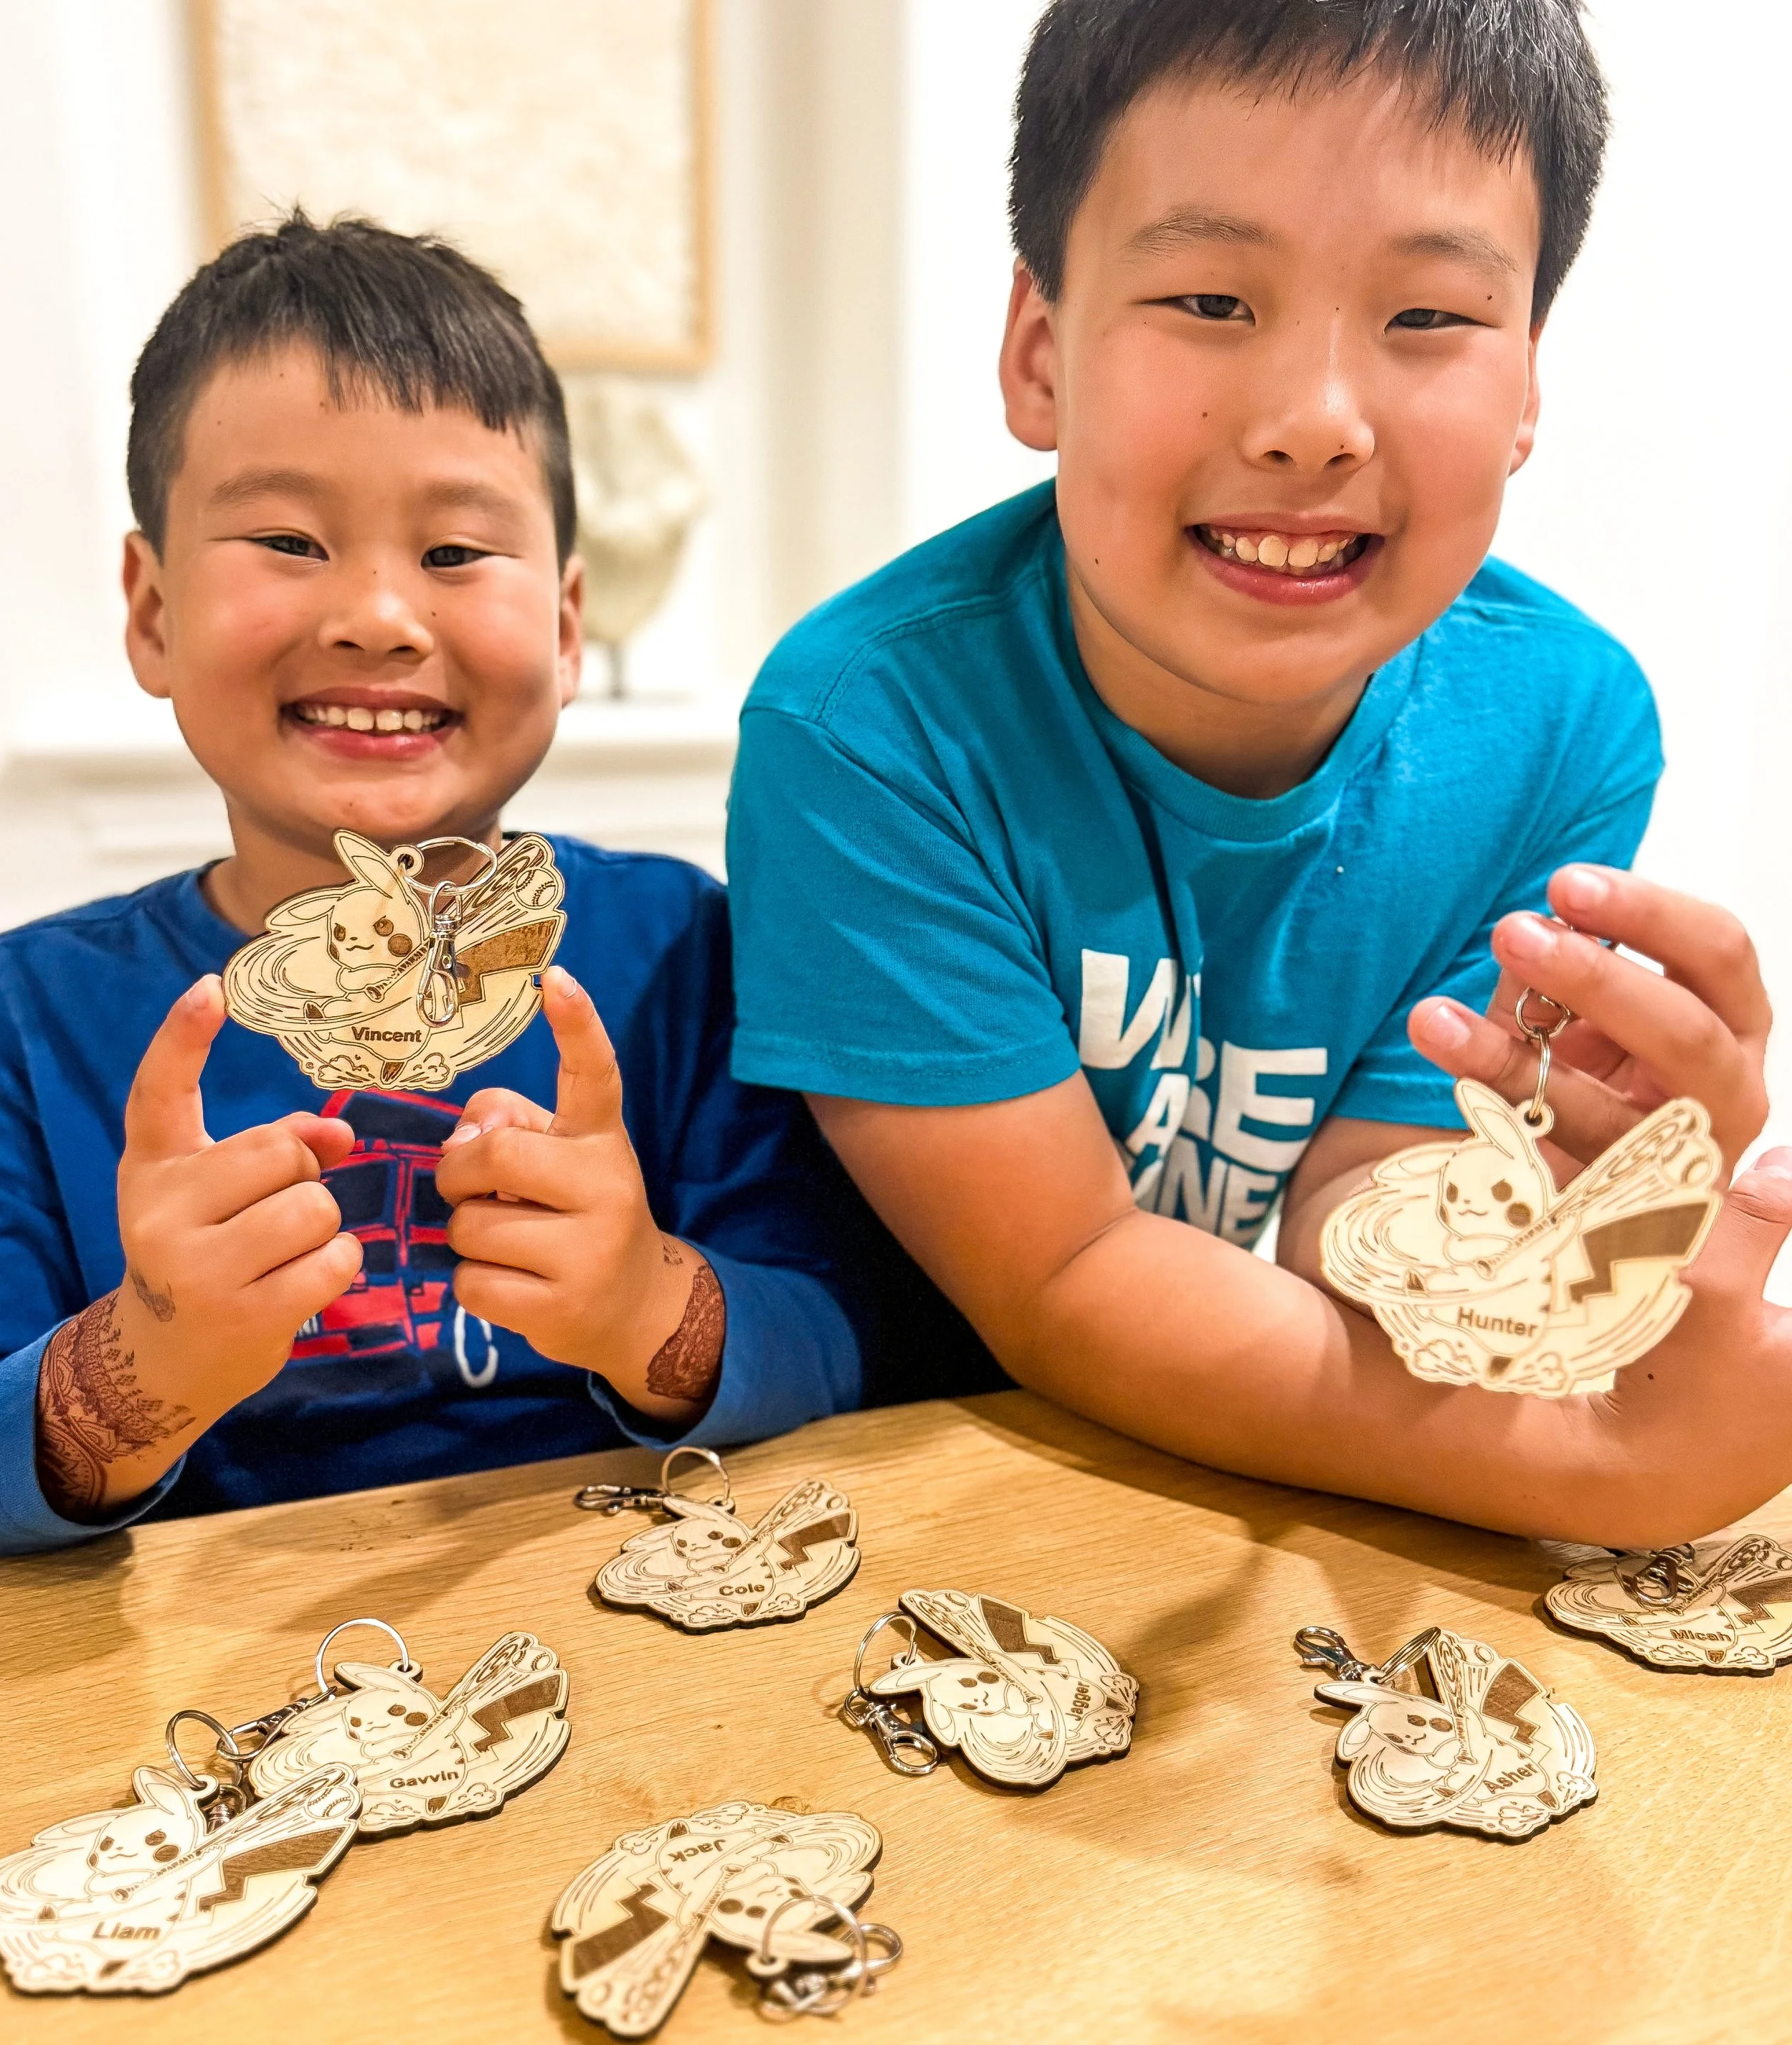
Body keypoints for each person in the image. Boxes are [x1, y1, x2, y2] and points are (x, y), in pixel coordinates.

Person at [724, 0, 1792, 1546]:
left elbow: (1345, 1222)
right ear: (1038, 352)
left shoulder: (1561, 724)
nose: (1312, 423)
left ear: (1528, 395)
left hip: (1277, 1512)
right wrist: (1588, 1465)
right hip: (928, 1484)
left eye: (1426, 318)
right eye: (1210, 298)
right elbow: (1062, 1277)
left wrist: (1515, 1236)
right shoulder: (866, 730)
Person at [0, 213, 986, 1557]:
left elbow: (860, 1334)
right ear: (154, 610)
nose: (381, 615)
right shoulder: (33, 1014)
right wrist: (132, 1370)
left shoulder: (680, 953)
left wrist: (651, 1307)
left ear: (570, 626)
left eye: (456, 553)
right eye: (288, 540)